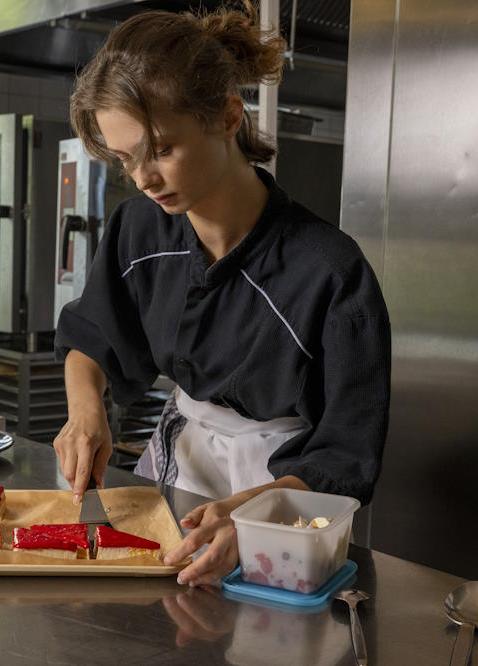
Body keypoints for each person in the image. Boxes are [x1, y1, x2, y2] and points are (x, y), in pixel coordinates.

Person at [53, 2, 391, 587]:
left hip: (287, 507)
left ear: (228, 117)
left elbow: (344, 456)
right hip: (179, 476)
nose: (143, 178)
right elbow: (94, 335)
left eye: (160, 150)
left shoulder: (330, 274)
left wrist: (256, 518)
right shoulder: (140, 229)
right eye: (126, 158)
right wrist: (85, 412)